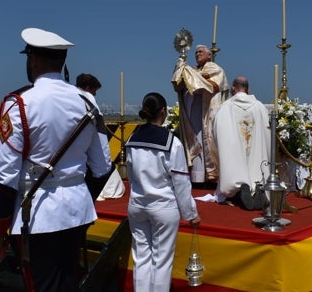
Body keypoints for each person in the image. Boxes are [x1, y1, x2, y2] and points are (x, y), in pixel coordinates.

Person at [0, 28, 112, 292]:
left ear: (31, 59)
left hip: (36, 216)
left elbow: (5, 177)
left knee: (40, 285)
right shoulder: (88, 101)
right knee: (69, 281)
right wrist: (75, 194)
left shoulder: (19, 103)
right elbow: (102, 168)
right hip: (78, 212)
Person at [125, 92, 201, 292]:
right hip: (163, 207)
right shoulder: (171, 142)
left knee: (141, 258)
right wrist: (191, 214)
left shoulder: (133, 138)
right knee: (161, 262)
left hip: (138, 205)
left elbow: (131, 175)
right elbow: (181, 183)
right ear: (164, 111)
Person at [171, 44, 228, 185]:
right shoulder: (192, 71)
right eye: (196, 52)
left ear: (210, 55)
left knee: (209, 142)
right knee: (195, 141)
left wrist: (191, 74)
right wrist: (181, 66)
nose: (197, 54)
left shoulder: (215, 69)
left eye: (201, 52)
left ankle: (212, 176)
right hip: (193, 114)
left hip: (208, 113)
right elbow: (178, 84)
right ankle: (197, 178)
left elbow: (213, 86)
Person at [212, 76, 271, 209]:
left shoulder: (226, 107)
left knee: (235, 165)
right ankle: (257, 190)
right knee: (256, 169)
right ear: (248, 89)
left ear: (233, 88)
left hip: (235, 155)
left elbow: (217, 131)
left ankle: (237, 190)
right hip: (256, 157)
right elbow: (268, 134)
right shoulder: (260, 107)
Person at [75, 73, 124, 200]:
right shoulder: (90, 102)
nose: (95, 94)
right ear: (87, 87)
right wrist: (102, 170)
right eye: (94, 90)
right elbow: (100, 139)